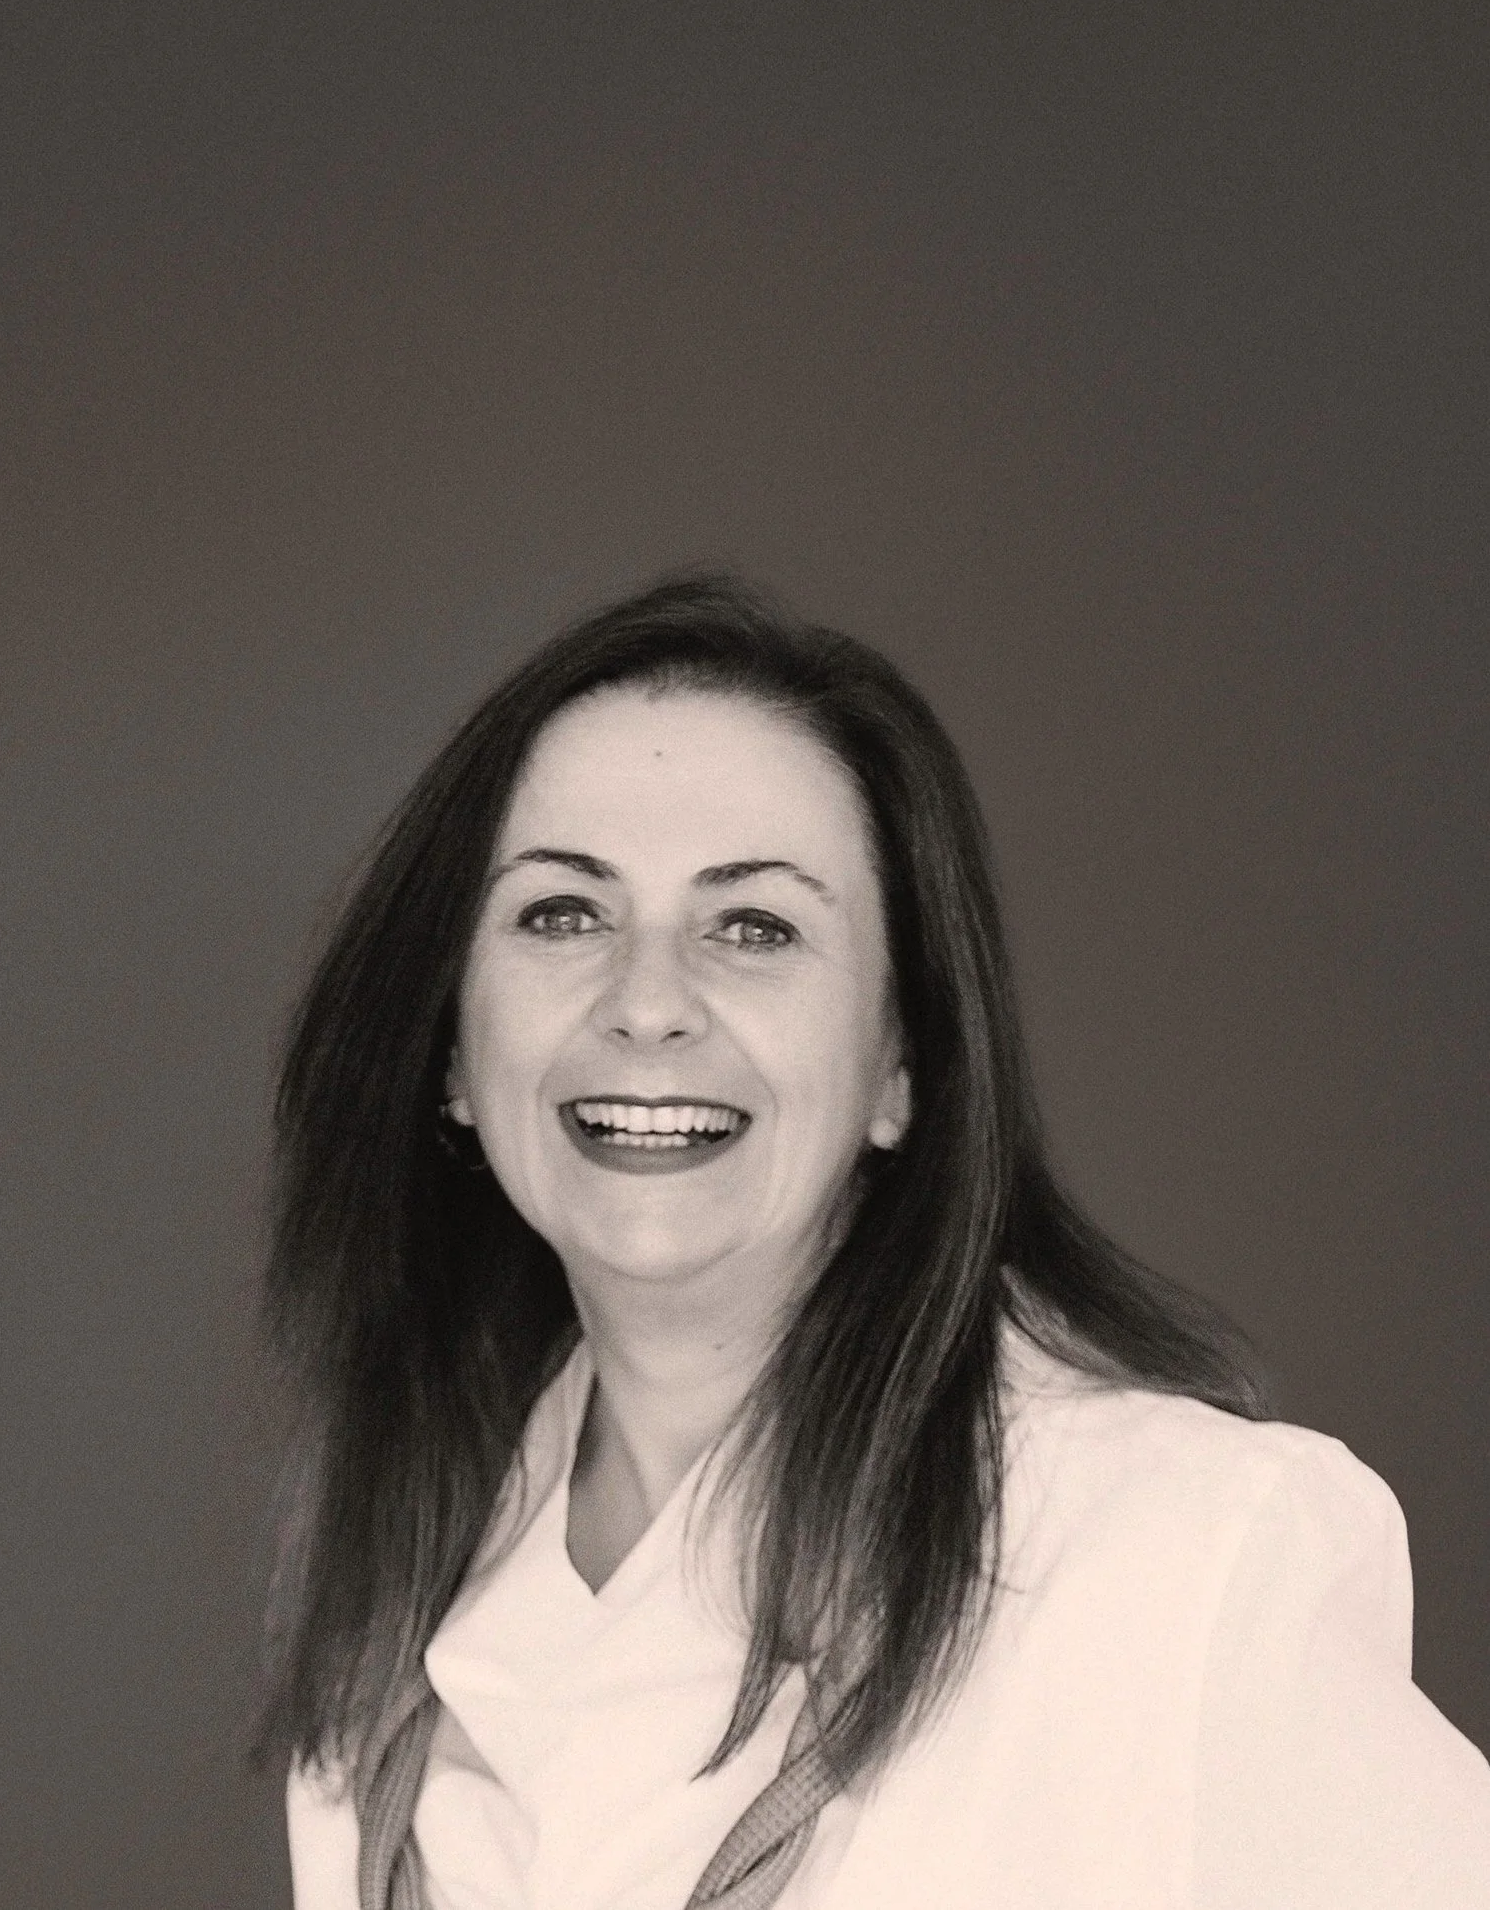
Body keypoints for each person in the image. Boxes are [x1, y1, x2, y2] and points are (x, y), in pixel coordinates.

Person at [263, 574, 1490, 1908]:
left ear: (898, 1062)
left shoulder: (1177, 1559)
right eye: (563, 913)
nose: (648, 1001)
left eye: (754, 925)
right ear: (451, 1045)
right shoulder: (384, 1620)